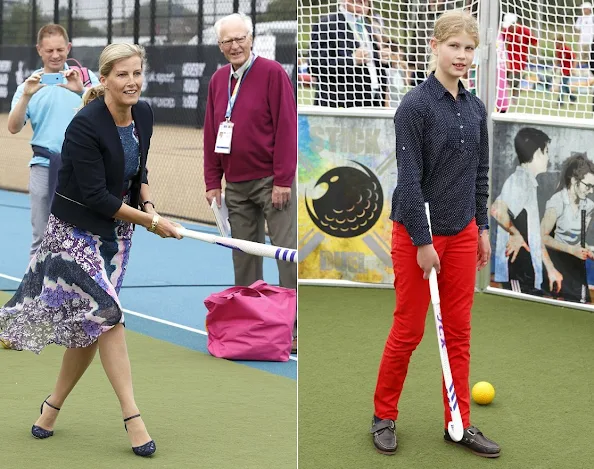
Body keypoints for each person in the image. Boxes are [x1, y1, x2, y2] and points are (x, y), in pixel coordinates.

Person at [0, 43, 182, 457]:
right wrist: (153, 222)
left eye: (137, 73)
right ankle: (132, 416)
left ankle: (51, 407)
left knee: (90, 326)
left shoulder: (145, 115)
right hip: (72, 235)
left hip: (115, 237)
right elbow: (98, 197)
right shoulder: (84, 125)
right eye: (122, 75)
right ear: (104, 79)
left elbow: (140, 172)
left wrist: (149, 205)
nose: (132, 82)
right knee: (108, 315)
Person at [370, 10, 500, 458]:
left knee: (459, 330)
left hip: (463, 232)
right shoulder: (414, 107)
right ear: (435, 46)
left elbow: (479, 173)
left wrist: (480, 227)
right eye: (454, 46)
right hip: (416, 235)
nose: (462, 56)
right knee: (408, 329)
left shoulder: (475, 107)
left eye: (469, 48)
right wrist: (423, 243)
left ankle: (457, 423)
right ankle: (384, 415)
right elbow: (409, 180)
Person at [203, 13, 298, 352]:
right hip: (236, 185)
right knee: (244, 256)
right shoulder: (217, 80)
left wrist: (283, 180)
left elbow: (287, 127)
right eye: (228, 41)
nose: (235, 45)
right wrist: (213, 181)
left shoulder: (273, 73)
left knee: (285, 253)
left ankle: (293, 327)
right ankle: (250, 323)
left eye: (240, 38)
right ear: (220, 45)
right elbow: (213, 132)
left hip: (273, 181)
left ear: (251, 38)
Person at [7, 24, 99, 260]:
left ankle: (75, 293)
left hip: (82, 168)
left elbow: (106, 115)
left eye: (60, 49)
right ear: (39, 50)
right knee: (41, 236)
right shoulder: (28, 86)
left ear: (68, 47)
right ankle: (34, 294)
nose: (56, 55)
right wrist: (27, 95)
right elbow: (14, 127)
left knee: (81, 236)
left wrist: (81, 92)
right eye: (49, 50)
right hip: (43, 166)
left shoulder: (87, 80)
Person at [491, 128, 562, 296]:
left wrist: (550, 269)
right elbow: (496, 209)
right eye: (547, 152)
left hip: (527, 273)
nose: (549, 158)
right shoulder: (520, 181)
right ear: (538, 153)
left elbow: (535, 236)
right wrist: (515, 233)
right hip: (517, 272)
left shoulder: (528, 183)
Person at [308, 0, 389, 107]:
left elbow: (371, 65)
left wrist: (382, 59)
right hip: (341, 104)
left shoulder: (367, 25)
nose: (362, 2)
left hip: (373, 99)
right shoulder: (327, 24)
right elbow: (315, 66)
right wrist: (353, 60)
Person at [541, 154, 594, 303]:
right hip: (558, 262)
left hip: (577, 264)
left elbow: (580, 240)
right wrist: (571, 249)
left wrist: (587, 250)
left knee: (582, 307)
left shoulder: (588, 206)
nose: (591, 191)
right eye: (588, 186)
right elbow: (542, 237)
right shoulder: (557, 202)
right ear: (573, 180)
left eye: (593, 186)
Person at [501, 13, 537, 102]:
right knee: (504, 78)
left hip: (520, 60)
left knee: (515, 80)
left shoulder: (525, 31)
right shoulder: (506, 31)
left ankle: (514, 97)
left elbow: (534, 42)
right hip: (509, 59)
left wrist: (534, 56)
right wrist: (505, 58)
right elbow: (503, 44)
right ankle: (502, 96)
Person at [554, 34, 577, 105]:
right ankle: (573, 98)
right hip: (562, 70)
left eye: (556, 41)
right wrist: (555, 66)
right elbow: (558, 59)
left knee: (562, 85)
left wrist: (573, 68)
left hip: (568, 70)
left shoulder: (566, 49)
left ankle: (560, 101)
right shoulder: (557, 49)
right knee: (564, 85)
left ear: (561, 41)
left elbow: (574, 58)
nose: (555, 43)